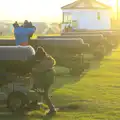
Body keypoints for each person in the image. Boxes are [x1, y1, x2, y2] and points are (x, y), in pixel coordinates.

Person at [32, 46, 56, 115]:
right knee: (37, 89)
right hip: (48, 78)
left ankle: (52, 109)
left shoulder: (44, 62)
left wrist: (33, 69)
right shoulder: (48, 58)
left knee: (44, 94)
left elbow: (39, 70)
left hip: (46, 79)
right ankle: (35, 103)